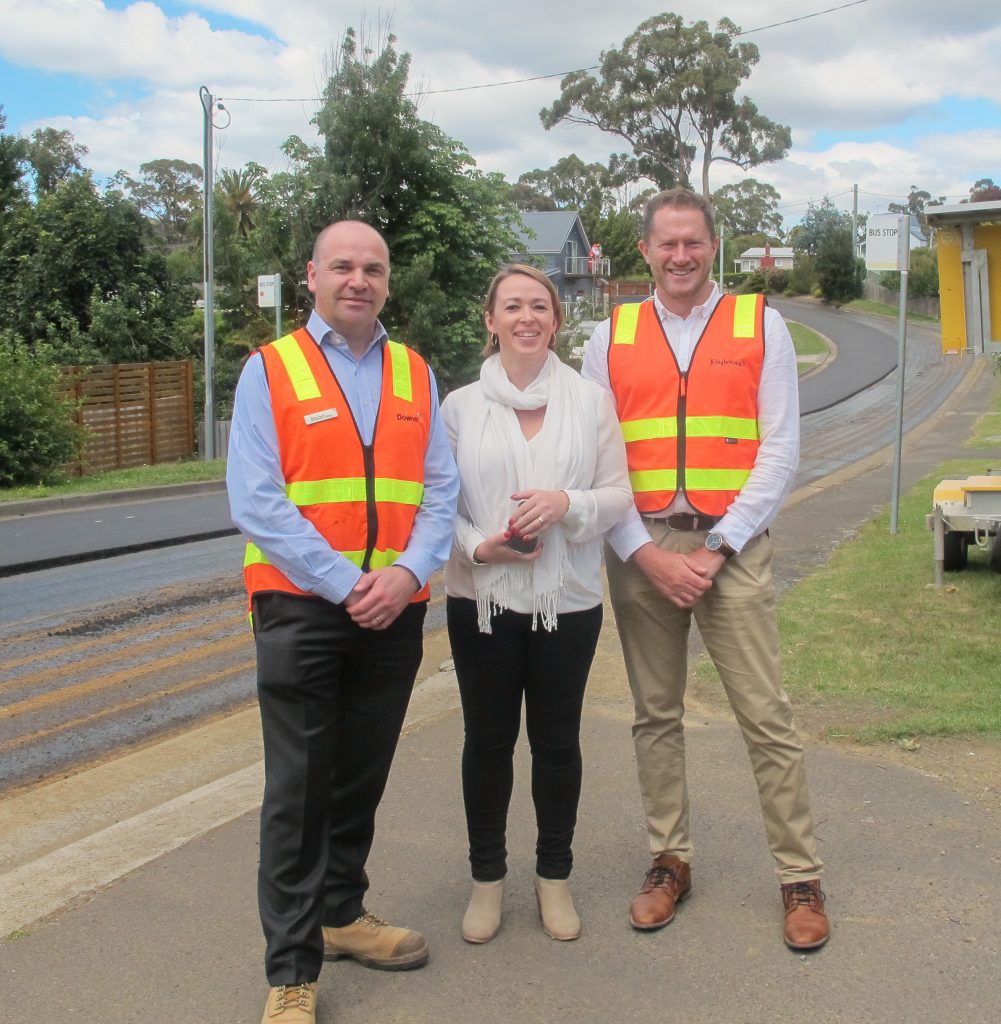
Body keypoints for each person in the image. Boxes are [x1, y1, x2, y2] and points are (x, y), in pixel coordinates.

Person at [581, 188, 830, 952]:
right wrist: (645, 553)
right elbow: (598, 459)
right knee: (654, 714)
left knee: (766, 716)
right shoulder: (609, 336)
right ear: (645, 250)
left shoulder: (760, 324)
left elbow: (779, 449)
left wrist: (717, 549)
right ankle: (669, 860)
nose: (680, 256)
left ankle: (798, 876)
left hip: (734, 550)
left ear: (712, 245)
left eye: (693, 242)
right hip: (642, 550)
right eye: (667, 243)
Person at [226, 220, 459, 1024]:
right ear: (312, 276)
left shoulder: (414, 371)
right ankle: (292, 971)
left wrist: (406, 574)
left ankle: (340, 914)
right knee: (298, 790)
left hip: (393, 608)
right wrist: (345, 582)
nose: (358, 280)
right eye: (342, 266)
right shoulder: (269, 368)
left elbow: (440, 490)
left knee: (361, 772)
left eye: (373, 268)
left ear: (387, 281)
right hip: (299, 607)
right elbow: (256, 499)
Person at [441, 264, 632, 945]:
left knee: (556, 744)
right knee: (487, 743)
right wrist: (480, 547)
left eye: (539, 307)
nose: (527, 318)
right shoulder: (459, 407)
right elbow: (437, 506)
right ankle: (486, 880)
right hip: (482, 601)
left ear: (556, 320)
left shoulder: (591, 402)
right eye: (512, 306)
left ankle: (554, 877)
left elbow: (619, 496)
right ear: (490, 320)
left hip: (567, 602)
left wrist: (565, 503)